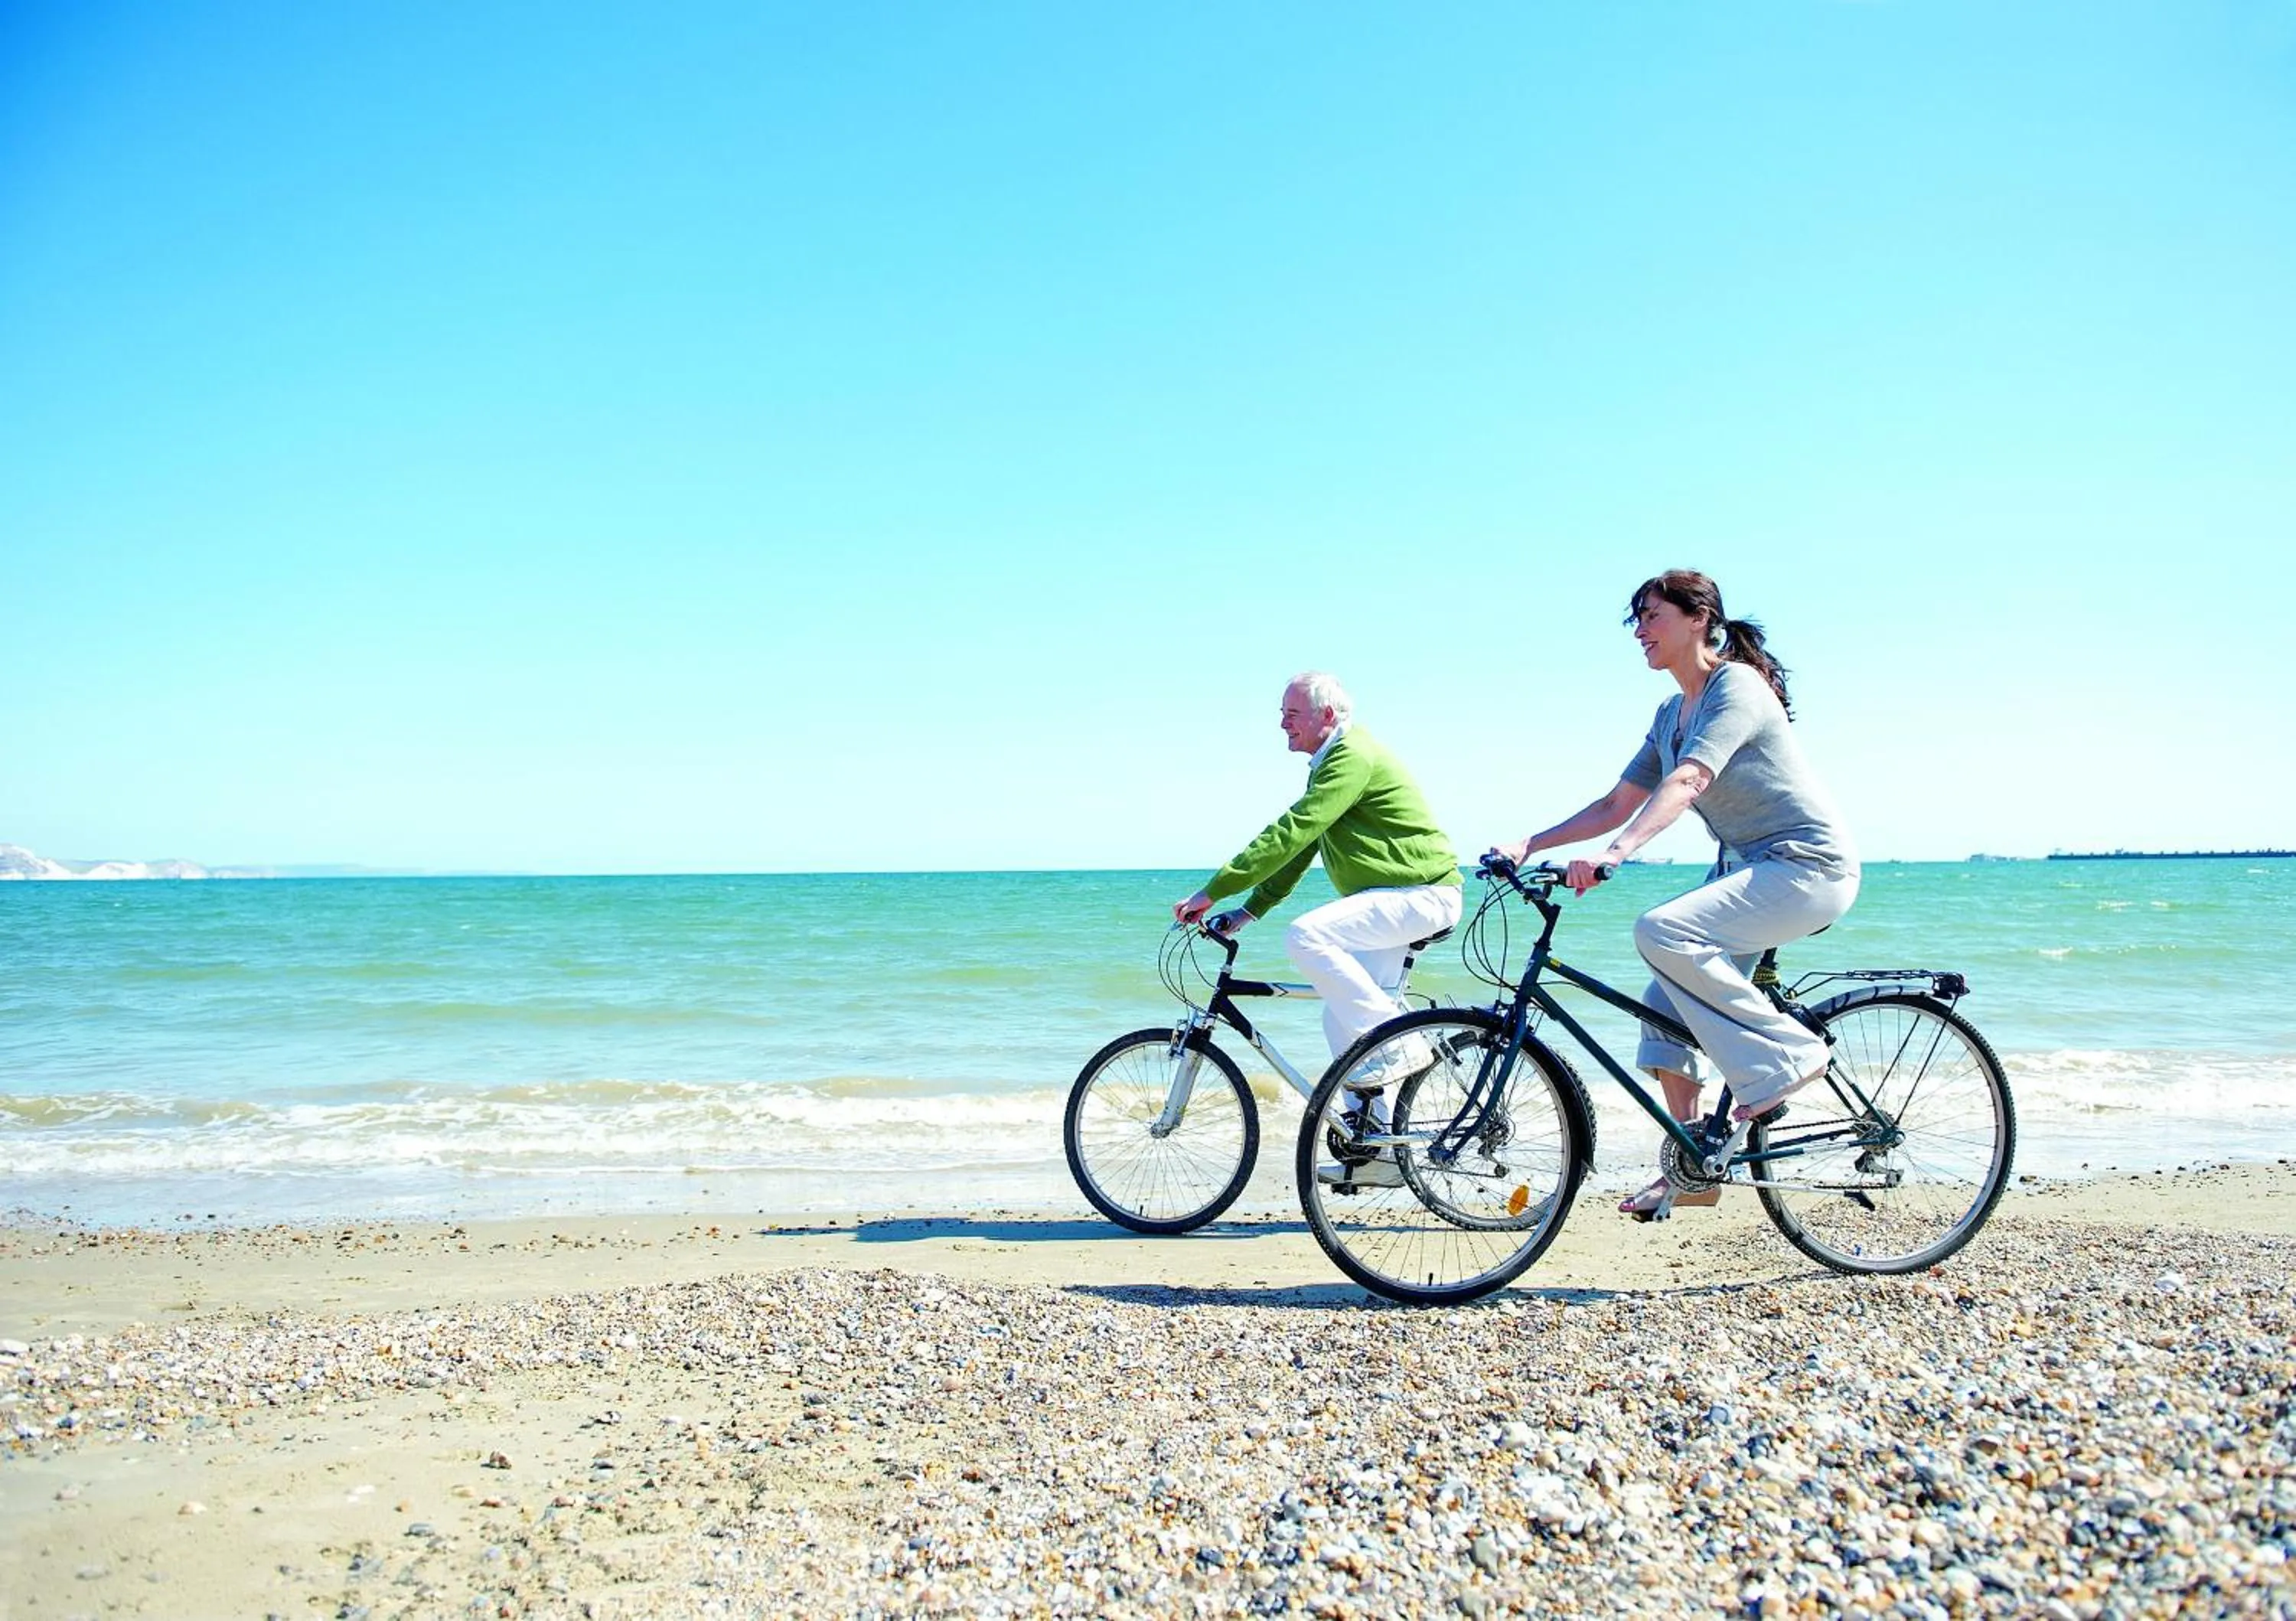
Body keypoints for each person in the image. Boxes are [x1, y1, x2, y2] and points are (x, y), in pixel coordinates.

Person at [1490, 570, 1860, 1218]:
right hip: (1745, 868)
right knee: (1665, 1007)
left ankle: (1792, 1054)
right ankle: (1693, 1167)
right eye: (1636, 621)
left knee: (1662, 931)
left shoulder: (1735, 688)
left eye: (1650, 617)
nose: (1640, 632)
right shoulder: (1670, 714)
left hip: (1806, 867)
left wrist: (1617, 853)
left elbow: (1690, 780)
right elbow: (1616, 801)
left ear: (1698, 620)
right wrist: (1530, 843)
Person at [1174, 672, 1463, 1183]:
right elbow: (1302, 846)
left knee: (1308, 937)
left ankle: (1400, 1047)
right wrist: (1250, 909)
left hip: (1421, 895)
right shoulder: (1331, 764)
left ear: (1326, 715)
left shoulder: (1352, 756)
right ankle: (1377, 1153)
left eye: (1291, 714)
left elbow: (1293, 830)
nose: (1282, 724)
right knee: (1340, 1019)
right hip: (1395, 899)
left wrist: (1214, 889)